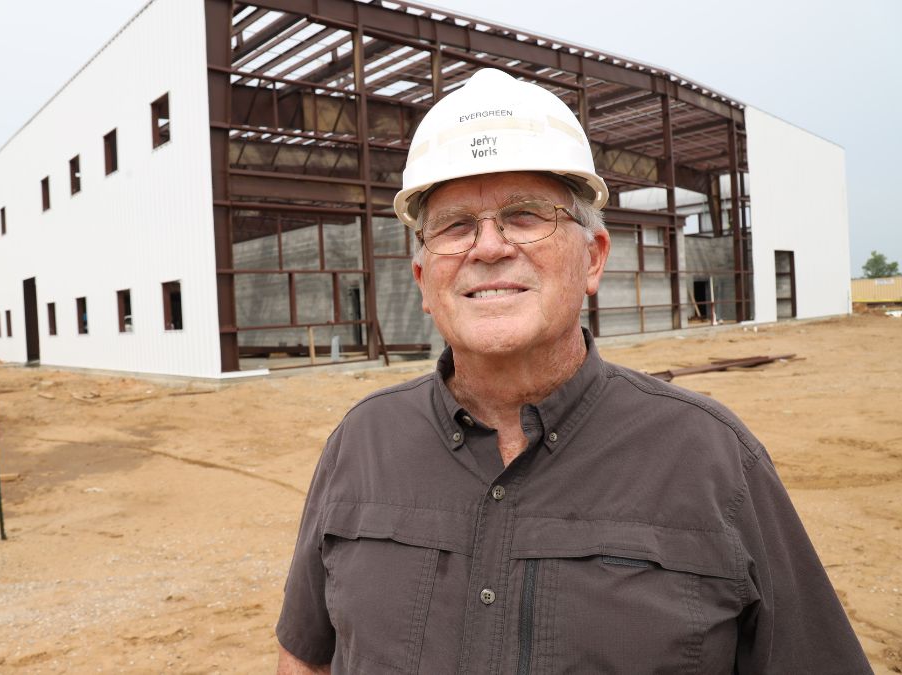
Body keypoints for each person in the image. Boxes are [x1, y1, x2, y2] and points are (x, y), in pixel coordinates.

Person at [275, 68, 871, 674]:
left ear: (593, 258)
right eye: (455, 226)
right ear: (425, 281)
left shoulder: (713, 460)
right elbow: (305, 659)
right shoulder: (361, 443)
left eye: (526, 215)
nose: (487, 247)